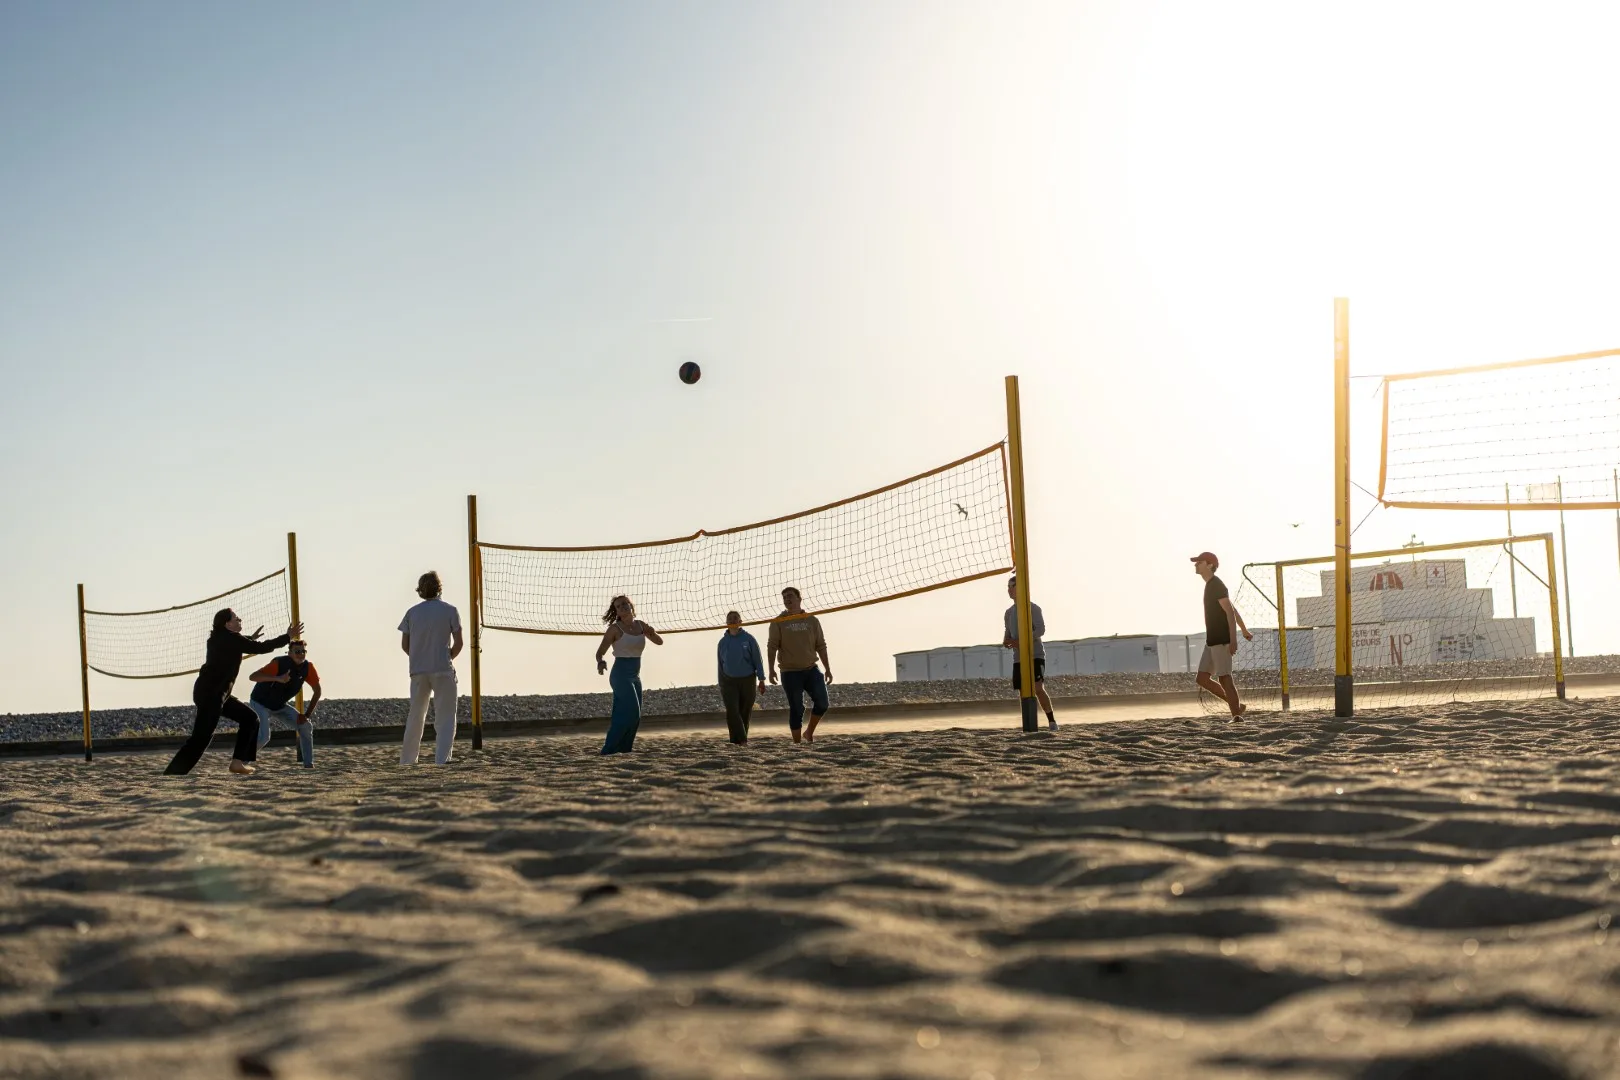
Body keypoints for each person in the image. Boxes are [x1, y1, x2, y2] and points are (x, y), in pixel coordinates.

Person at [164, 609, 303, 776]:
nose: (240, 620)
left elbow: (239, 645)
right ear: (227, 624)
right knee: (201, 738)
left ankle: (237, 763)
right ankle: (173, 773)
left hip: (217, 694)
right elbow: (261, 648)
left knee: (250, 719)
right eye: (236, 619)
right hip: (211, 695)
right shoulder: (231, 640)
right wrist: (287, 637)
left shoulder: (218, 639)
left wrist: (249, 639)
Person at [399, 571, 463, 765]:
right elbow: (458, 643)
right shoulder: (450, 610)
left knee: (416, 716)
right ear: (439, 588)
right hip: (442, 668)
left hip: (418, 669)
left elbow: (405, 645)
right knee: (445, 717)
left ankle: (408, 760)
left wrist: (420, 656)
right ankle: (442, 759)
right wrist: (446, 656)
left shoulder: (412, 612)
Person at [595, 595, 663, 754]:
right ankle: (609, 749)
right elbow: (600, 652)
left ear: (631, 605)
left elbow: (659, 642)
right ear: (616, 612)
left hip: (635, 675)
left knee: (635, 716)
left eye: (625, 603)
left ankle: (625, 749)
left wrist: (652, 633)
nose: (623, 607)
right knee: (631, 712)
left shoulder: (640, 625)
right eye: (619, 606)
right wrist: (601, 662)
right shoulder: (614, 629)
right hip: (620, 674)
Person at [1191, 551, 1253, 718]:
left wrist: (1234, 640)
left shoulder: (1217, 584)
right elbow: (1232, 609)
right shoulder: (1210, 585)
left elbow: (1229, 613)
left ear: (1210, 565)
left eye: (1199, 562)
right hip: (1212, 640)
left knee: (1225, 679)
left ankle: (1236, 716)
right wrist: (1245, 629)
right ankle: (1237, 707)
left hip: (1222, 640)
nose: (1195, 565)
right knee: (1202, 679)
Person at [767, 586, 832, 744]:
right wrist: (771, 670)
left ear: (799, 599)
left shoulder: (811, 620)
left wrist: (828, 669)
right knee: (797, 708)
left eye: (790, 596)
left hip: (811, 668)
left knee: (823, 703)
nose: (787, 599)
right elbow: (772, 646)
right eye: (784, 598)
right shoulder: (778, 622)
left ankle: (808, 732)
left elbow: (821, 645)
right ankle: (797, 744)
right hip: (790, 672)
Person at [248, 639, 322, 767]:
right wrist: (277, 678)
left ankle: (308, 764)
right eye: (297, 651)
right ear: (289, 653)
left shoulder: (308, 668)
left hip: (279, 706)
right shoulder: (279, 664)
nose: (301, 654)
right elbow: (253, 676)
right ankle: (242, 761)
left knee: (306, 726)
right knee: (264, 737)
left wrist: (306, 715)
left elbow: (317, 691)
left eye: (303, 651)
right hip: (260, 703)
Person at [1003, 575, 1057, 730]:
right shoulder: (1008, 613)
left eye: (1012, 586)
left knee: (1038, 689)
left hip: (1035, 655)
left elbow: (1041, 630)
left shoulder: (1033, 608)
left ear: (1021, 588)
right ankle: (1028, 724)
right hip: (1018, 658)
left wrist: (1022, 641)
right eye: (1008, 586)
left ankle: (1052, 721)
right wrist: (1007, 641)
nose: (1009, 589)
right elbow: (1007, 633)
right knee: (1023, 692)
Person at [716, 611, 767, 745]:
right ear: (726, 623)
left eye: (735, 618)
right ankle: (742, 740)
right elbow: (720, 664)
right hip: (728, 681)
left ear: (740, 622)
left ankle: (737, 741)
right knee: (732, 710)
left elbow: (758, 660)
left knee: (745, 711)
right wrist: (721, 682)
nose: (732, 620)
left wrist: (761, 680)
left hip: (748, 679)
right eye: (730, 619)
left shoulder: (749, 639)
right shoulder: (722, 642)